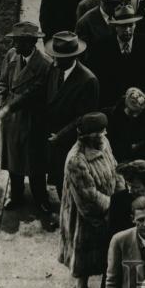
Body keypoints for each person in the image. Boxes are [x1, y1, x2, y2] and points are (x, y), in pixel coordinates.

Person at [58, 111, 119, 288]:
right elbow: (88, 197)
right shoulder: (76, 160)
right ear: (87, 135)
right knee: (83, 254)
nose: (104, 134)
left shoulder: (104, 144)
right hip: (83, 215)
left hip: (107, 206)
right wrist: (113, 206)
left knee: (99, 251)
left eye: (104, 130)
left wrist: (121, 191)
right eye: (100, 132)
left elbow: (114, 167)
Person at [0, 21, 53, 213]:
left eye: (18, 41)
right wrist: (2, 104)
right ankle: (16, 195)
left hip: (33, 120)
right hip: (12, 120)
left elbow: (33, 93)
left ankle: (40, 198)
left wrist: (9, 108)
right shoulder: (11, 56)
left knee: (35, 162)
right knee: (14, 160)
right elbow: (2, 83)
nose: (14, 45)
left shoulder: (45, 65)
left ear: (31, 42)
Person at [43, 32, 100, 207]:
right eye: (55, 56)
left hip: (71, 142)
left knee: (70, 184)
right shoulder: (55, 68)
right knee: (59, 180)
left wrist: (60, 135)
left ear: (73, 57)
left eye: (60, 57)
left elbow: (84, 118)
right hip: (54, 137)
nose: (55, 60)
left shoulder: (88, 81)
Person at [91, 3, 145, 107]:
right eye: (123, 26)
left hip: (142, 103)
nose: (127, 30)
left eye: (130, 25)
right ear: (115, 26)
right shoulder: (102, 47)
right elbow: (101, 81)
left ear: (135, 25)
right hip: (112, 105)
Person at [107, 87, 145, 164]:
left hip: (143, 161)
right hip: (118, 160)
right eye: (132, 113)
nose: (135, 116)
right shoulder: (112, 116)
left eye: (138, 112)